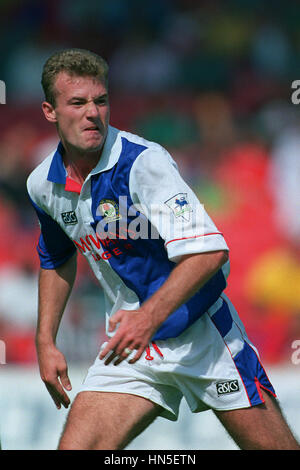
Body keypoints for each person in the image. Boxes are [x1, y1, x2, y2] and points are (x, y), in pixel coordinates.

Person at [27, 48, 299, 450]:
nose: (93, 113)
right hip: (131, 350)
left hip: (203, 337)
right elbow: (56, 256)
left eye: (101, 101)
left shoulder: (144, 163)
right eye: (78, 103)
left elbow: (209, 253)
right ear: (50, 111)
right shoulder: (41, 184)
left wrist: (148, 318)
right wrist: (45, 341)